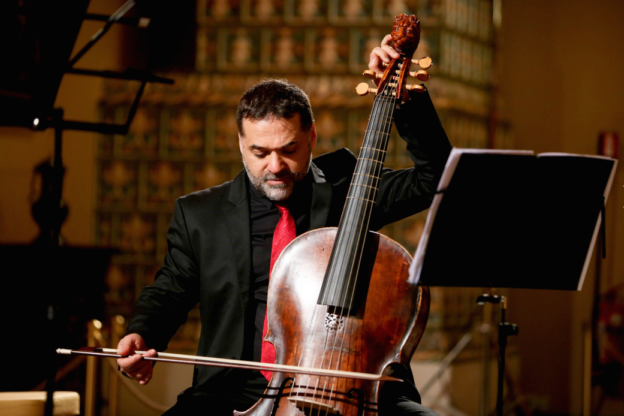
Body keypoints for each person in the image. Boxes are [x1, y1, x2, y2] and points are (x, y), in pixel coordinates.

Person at [117, 35, 452, 415]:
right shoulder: (200, 214)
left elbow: (437, 178)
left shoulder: (352, 192)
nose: (275, 167)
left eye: (289, 150)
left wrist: (407, 99)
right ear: (241, 145)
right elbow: (169, 292)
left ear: (311, 137)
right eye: (260, 153)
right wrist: (141, 333)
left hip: (347, 386)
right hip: (230, 391)